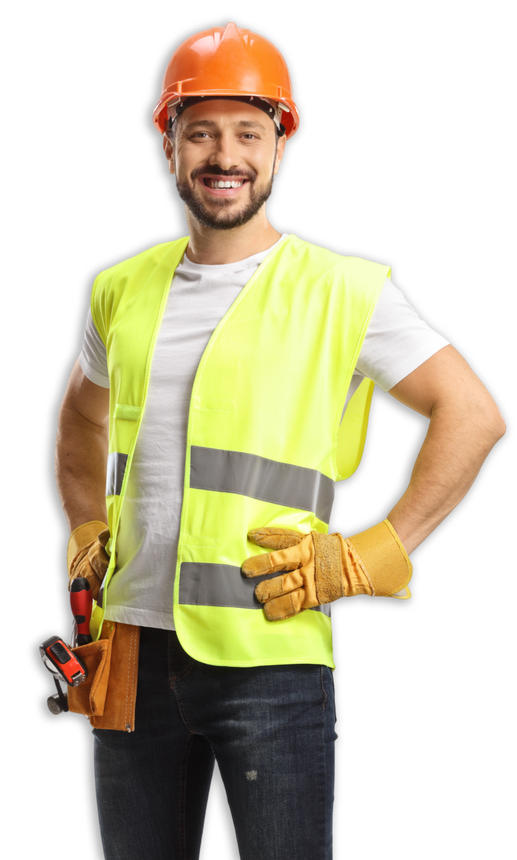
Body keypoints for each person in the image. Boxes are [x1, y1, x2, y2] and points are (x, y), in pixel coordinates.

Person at [54, 22, 506, 860]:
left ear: (278, 149)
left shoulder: (342, 289)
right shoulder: (120, 288)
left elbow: (472, 413)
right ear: (169, 148)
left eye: (246, 134)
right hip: (127, 654)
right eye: (200, 133)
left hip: (273, 656)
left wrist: (375, 551)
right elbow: (79, 415)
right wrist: (85, 523)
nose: (223, 155)